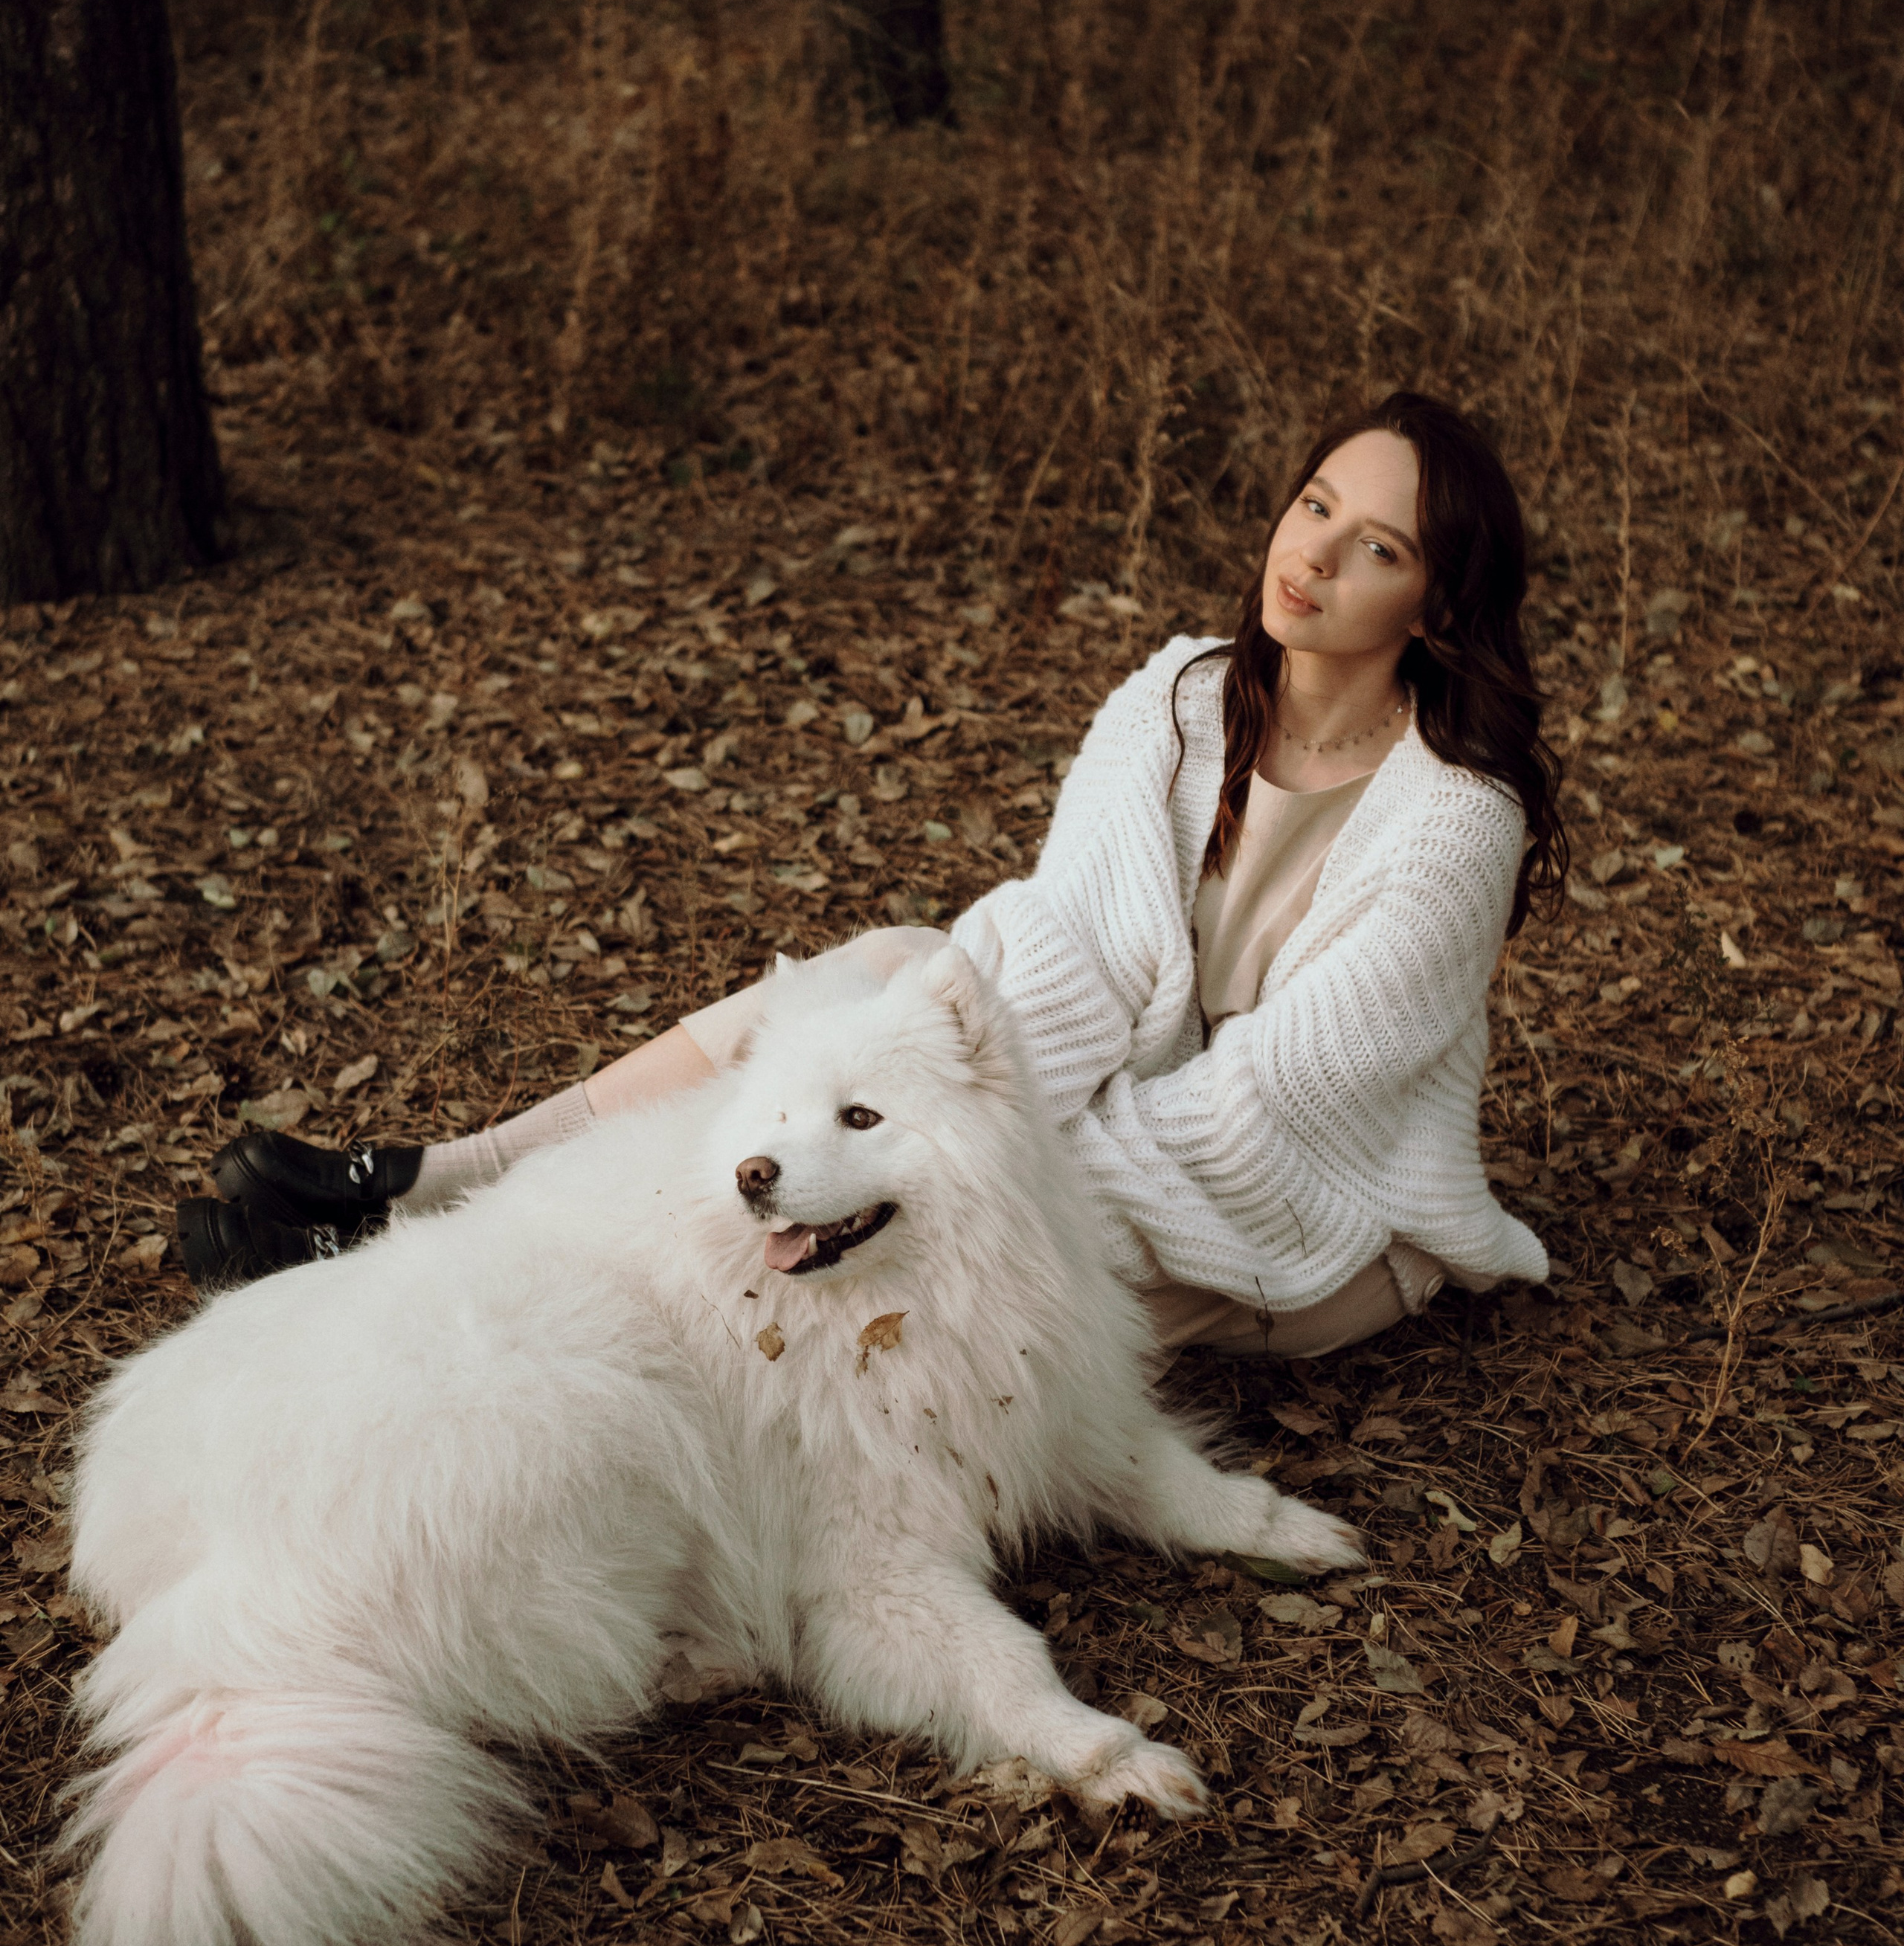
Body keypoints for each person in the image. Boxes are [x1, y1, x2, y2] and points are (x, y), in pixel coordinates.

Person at [179, 389, 1566, 1363]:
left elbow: (1268, 1109)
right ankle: (447, 1177)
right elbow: (1060, 944)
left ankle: (442, 1291)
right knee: (897, 968)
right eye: (1312, 502)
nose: (1310, 551)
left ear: (1434, 605)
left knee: (886, 1254)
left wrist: (975, 1166)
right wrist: (922, 1080)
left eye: (1372, 546)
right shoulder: (1182, 697)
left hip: (1301, 1215)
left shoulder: (1454, 821)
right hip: (1119, 1111)